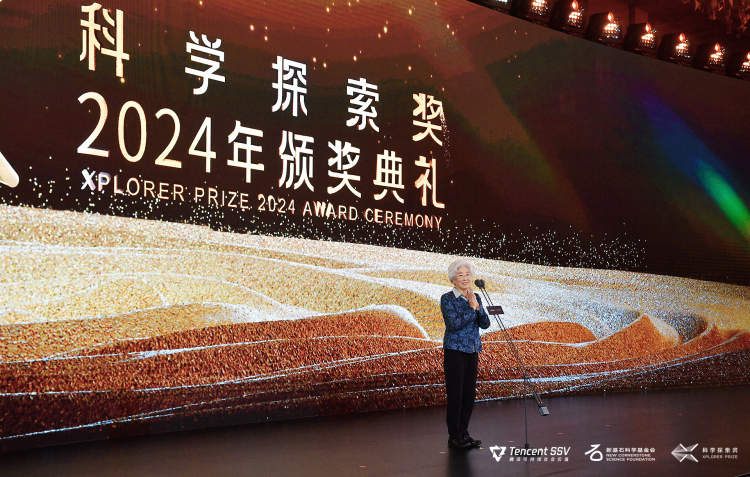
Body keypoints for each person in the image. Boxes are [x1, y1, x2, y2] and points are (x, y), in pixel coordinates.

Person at [440, 258, 491, 450]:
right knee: (456, 395)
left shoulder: (476, 296)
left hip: (472, 350)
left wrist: (477, 307)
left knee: (469, 395)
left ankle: (464, 433)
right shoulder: (447, 298)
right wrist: (471, 308)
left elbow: (485, 324)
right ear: (453, 279)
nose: (465, 278)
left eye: (468, 274)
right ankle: (454, 436)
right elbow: (454, 324)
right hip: (455, 351)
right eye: (460, 275)